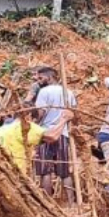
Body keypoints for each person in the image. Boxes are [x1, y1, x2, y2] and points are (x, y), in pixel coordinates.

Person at [29, 66, 77, 197]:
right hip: (63, 133)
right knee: (64, 171)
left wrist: (33, 122)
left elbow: (40, 113)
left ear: (50, 77)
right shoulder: (69, 93)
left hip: (45, 134)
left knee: (45, 171)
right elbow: (73, 114)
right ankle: (72, 203)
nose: (38, 81)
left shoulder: (44, 92)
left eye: (41, 78)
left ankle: (48, 202)